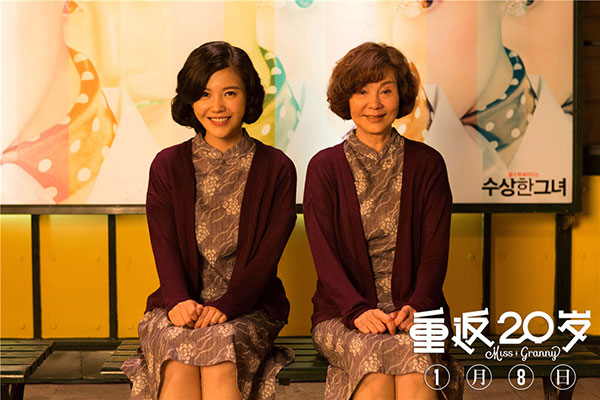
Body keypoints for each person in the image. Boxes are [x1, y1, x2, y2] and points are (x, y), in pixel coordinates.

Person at [121, 41, 296, 400]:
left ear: (249, 97)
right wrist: (178, 300)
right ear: (189, 100)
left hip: (249, 307)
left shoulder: (277, 168)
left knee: (219, 354)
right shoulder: (167, 165)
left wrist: (227, 307)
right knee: (177, 356)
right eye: (204, 94)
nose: (217, 107)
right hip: (178, 305)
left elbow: (267, 257)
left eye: (229, 93)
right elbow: (164, 243)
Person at [304, 42, 463, 400]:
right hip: (341, 313)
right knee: (373, 360)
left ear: (400, 96)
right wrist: (357, 310)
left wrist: (418, 307)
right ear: (346, 98)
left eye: (385, 91)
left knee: (416, 359)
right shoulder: (324, 168)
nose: (374, 104)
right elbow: (325, 258)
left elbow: (435, 253)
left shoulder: (428, 164)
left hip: (419, 311)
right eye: (362, 92)